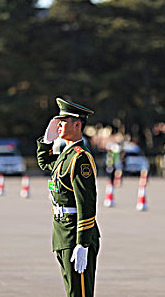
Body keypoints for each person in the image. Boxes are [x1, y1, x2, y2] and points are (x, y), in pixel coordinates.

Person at [37, 97, 101, 297]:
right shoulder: (66, 155)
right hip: (62, 233)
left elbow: (86, 204)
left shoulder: (80, 158)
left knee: (79, 293)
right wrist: (47, 140)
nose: (59, 125)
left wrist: (83, 243)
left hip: (75, 234)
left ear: (77, 124)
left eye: (63, 121)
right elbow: (44, 162)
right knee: (72, 290)